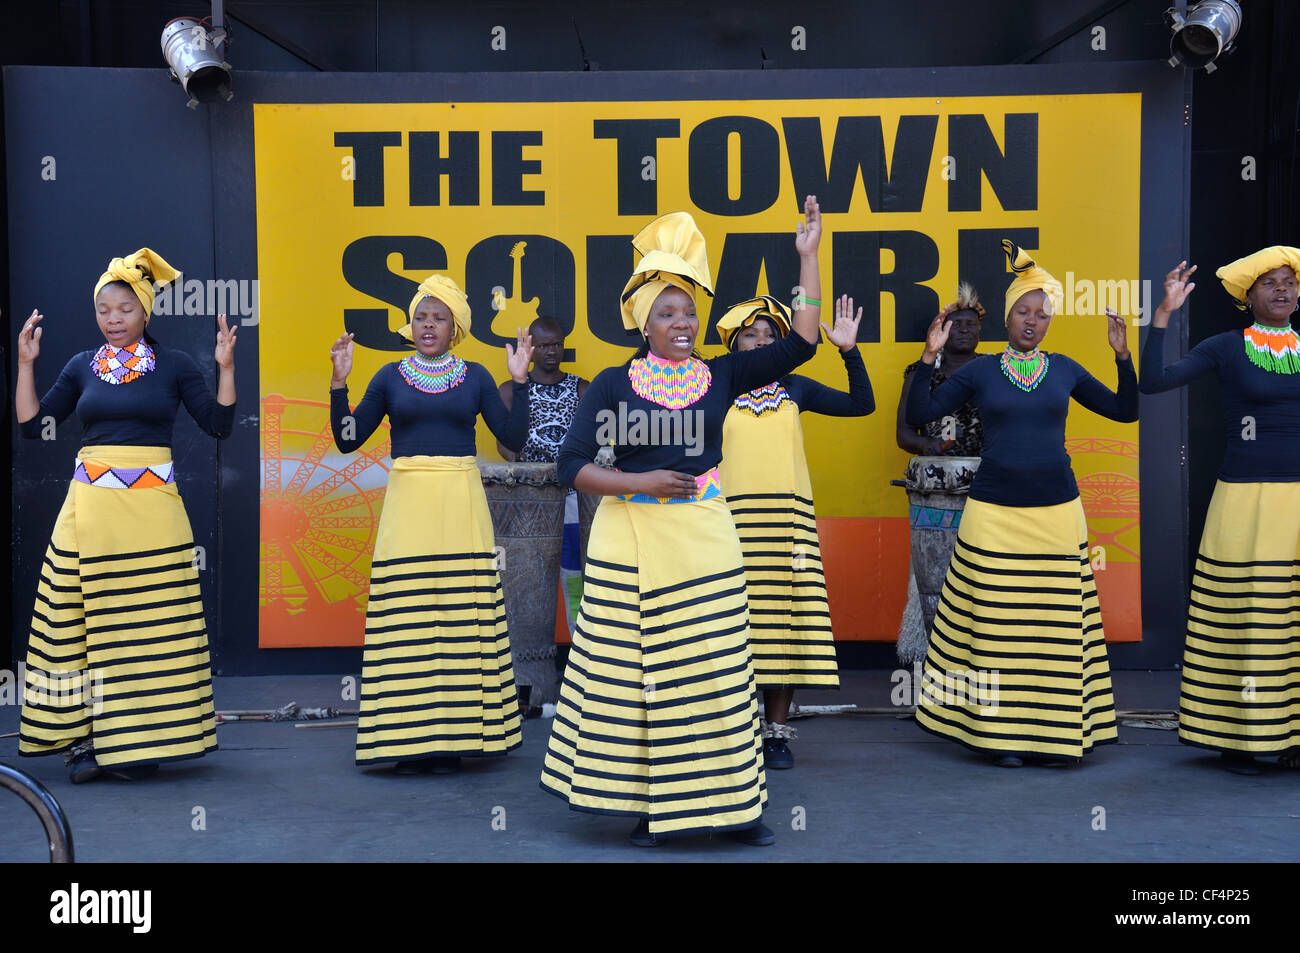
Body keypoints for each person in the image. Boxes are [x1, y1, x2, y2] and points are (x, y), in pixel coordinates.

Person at [541, 199, 823, 847]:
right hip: (632, 541)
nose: (682, 321)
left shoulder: (723, 373)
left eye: (689, 311)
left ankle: (737, 807)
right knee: (645, 679)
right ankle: (653, 807)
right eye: (667, 312)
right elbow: (571, 465)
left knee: (721, 670)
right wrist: (636, 481)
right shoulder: (614, 384)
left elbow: (802, 342)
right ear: (645, 323)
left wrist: (807, 256)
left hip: (706, 538)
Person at [906, 240, 1138, 767]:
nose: (1033, 322)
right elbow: (922, 411)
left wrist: (1122, 355)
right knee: (997, 627)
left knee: (1053, 630)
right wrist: (929, 355)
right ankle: (1001, 737)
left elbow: (1126, 412)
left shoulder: (1066, 369)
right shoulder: (979, 372)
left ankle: (1056, 737)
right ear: (1007, 317)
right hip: (993, 515)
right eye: (1023, 312)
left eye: (1042, 314)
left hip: (1057, 513)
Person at [14, 248, 236, 783]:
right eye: (104, 310)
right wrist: (24, 365)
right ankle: (86, 738)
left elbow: (220, 424)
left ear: (145, 312)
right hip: (88, 508)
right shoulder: (79, 366)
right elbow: (33, 426)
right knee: (74, 623)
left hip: (151, 511)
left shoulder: (177, 365)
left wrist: (226, 368)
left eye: (124, 309)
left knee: (149, 630)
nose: (113, 319)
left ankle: (142, 742)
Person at [328, 274, 533, 775]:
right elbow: (348, 439)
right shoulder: (389, 377)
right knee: (410, 614)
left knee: (462, 615)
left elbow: (513, 438)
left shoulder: (480, 376)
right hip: (409, 503)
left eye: (439, 318)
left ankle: (457, 738)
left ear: (455, 330)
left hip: (460, 500)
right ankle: (407, 736)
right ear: (411, 324)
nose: (428, 325)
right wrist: (339, 383)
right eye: (421, 316)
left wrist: (521, 381)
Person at [1138, 248, 1300, 775]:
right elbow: (1154, 381)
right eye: (1269, 283)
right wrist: (1163, 314)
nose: (1281, 290)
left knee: (1290, 622)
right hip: (1246, 499)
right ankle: (1244, 735)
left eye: (1289, 282)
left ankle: (1291, 734)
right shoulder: (1226, 348)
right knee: (1248, 616)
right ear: (1246, 297)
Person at [715, 292, 874, 769]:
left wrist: (849, 351)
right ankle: (733, 733)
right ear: (733, 343)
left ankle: (775, 734)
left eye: (771, 335)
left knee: (781, 626)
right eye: (751, 334)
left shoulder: (796, 388)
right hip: (727, 521)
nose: (762, 342)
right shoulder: (711, 386)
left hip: (786, 526)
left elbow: (861, 405)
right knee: (731, 627)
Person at [896, 283, 985, 457]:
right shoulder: (920, 374)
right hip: (935, 475)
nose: (964, 329)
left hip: (986, 474)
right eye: (956, 324)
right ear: (943, 331)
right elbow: (904, 434)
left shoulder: (992, 370)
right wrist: (924, 443)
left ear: (978, 332)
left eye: (970, 324)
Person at [496, 315, 589, 463]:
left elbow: (591, 437)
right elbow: (503, 441)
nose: (552, 351)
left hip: (571, 476)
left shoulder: (581, 388)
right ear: (531, 347)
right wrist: (518, 461)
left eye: (557, 345)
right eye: (544, 346)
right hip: (527, 480)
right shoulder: (509, 390)